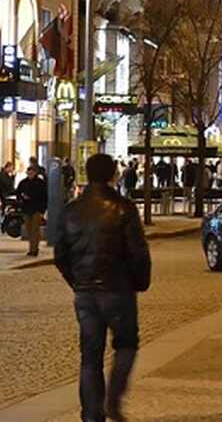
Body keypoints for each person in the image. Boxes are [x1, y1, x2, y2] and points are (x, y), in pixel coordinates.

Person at [53, 153, 151, 422]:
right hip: (118, 289)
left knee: (90, 355)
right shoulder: (123, 207)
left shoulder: (71, 210)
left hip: (85, 292)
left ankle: (91, 415)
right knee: (127, 344)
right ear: (112, 175)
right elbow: (138, 253)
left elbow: (60, 254)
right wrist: (140, 282)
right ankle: (113, 399)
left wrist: (77, 282)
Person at [16, 163, 49, 257]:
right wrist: (22, 199)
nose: (30, 175)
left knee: (35, 229)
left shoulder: (40, 183)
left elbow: (44, 197)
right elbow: (18, 193)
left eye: (32, 173)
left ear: (35, 173)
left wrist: (43, 210)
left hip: (37, 209)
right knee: (29, 229)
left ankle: (33, 249)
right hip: (26, 209)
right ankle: (32, 247)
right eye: (29, 173)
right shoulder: (23, 183)